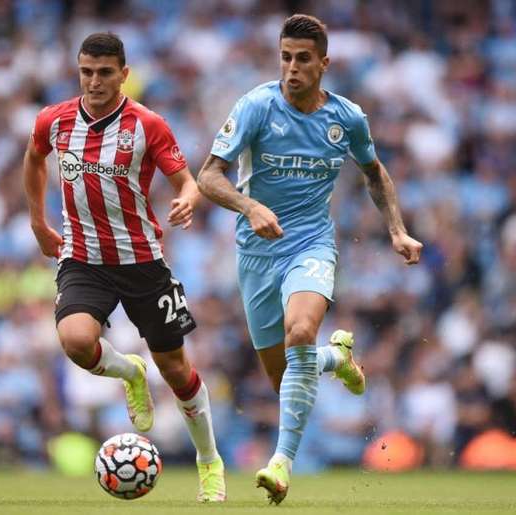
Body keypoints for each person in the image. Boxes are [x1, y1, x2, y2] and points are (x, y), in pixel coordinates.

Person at [197, 14, 423, 504]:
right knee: (284, 378)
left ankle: (280, 465)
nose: (291, 68)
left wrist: (398, 230)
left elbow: (374, 172)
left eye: (302, 59)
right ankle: (334, 358)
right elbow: (208, 177)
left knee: (301, 331)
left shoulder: (347, 118)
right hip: (256, 253)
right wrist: (250, 205)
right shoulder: (256, 105)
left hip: (311, 244)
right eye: (285, 58)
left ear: (324, 63)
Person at [23, 32, 225, 502]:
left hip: (142, 261)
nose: (94, 81)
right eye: (86, 72)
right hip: (82, 258)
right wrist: (38, 221)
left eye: (104, 72)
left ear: (123, 75)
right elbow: (33, 159)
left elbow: (187, 181)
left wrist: (186, 201)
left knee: (176, 371)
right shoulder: (53, 121)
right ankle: (129, 373)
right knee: (75, 341)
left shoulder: (148, 125)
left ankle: (209, 461)